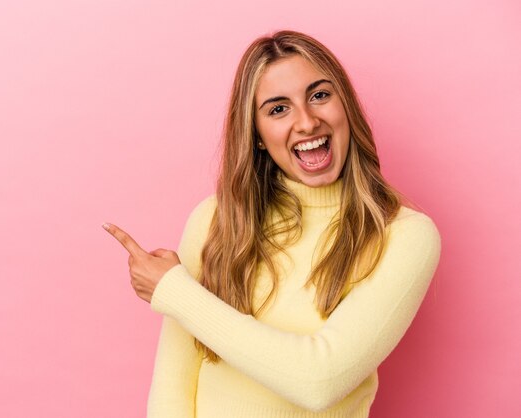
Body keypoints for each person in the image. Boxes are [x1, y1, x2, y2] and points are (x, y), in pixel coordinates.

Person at [104, 30, 441, 418]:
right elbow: (172, 392)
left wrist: (174, 292)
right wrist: (178, 292)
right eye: (278, 109)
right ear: (258, 136)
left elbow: (319, 381)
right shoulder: (215, 220)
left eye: (319, 95)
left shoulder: (405, 236)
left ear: (344, 106)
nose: (306, 122)